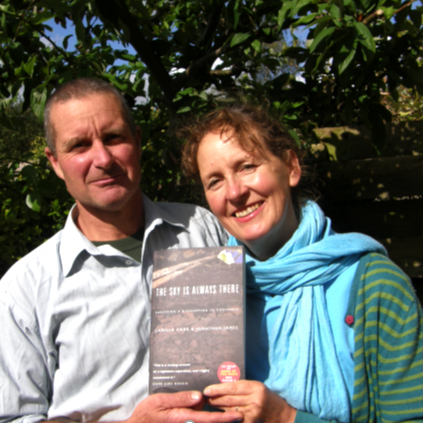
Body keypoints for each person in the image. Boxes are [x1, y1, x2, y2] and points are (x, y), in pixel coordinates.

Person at [0, 78, 244, 423]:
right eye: (79, 146)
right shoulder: (24, 290)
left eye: (114, 138)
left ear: (138, 140)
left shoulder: (203, 229)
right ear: (54, 162)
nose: (102, 158)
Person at [181, 104, 423, 423]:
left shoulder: (376, 287)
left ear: (292, 167)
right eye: (215, 181)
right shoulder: (206, 296)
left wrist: (287, 418)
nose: (235, 192)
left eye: (247, 166)